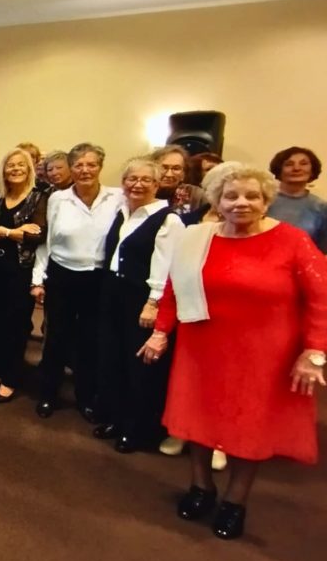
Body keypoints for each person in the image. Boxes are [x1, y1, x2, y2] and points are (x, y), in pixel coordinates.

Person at [139, 162, 327, 540]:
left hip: (263, 354)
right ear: (217, 201)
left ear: (266, 200)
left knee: (248, 427)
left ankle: (235, 501)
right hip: (201, 346)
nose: (241, 203)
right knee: (198, 417)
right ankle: (201, 486)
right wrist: (160, 332)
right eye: (231, 196)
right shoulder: (196, 237)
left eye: (251, 196)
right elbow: (176, 287)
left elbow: (320, 299)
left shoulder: (292, 241)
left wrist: (314, 352)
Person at [92, 158, 184, 452]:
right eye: (132, 178)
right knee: (113, 358)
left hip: (142, 298)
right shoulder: (122, 211)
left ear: (157, 185)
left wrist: (153, 302)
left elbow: (167, 266)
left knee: (140, 368)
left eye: (146, 179)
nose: (137, 184)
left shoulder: (167, 220)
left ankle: (138, 429)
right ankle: (116, 419)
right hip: (113, 292)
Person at [32, 143, 123, 420]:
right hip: (62, 275)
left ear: (100, 167)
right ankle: (48, 394)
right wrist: (38, 278)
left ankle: (86, 397)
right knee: (56, 337)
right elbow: (47, 242)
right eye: (79, 165)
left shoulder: (117, 198)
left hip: (97, 277)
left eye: (91, 164)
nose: (85, 170)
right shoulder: (58, 199)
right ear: (71, 169)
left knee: (89, 339)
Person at [0, 149, 47, 402]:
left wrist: (7, 232)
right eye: (10, 165)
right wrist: (19, 231)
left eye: (21, 165)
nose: (15, 169)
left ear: (29, 169)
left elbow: (39, 235)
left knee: (15, 326)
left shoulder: (38, 198)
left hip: (19, 271)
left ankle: (10, 378)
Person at [267, 146, 327, 252]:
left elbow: (322, 250)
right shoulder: (265, 201)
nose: (296, 168)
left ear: (312, 170)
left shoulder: (321, 207)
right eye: (289, 164)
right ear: (278, 170)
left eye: (303, 164)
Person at [153, 145, 203, 215]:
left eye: (176, 168)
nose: (169, 174)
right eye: (164, 167)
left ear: (183, 174)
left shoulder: (195, 195)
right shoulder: (142, 191)